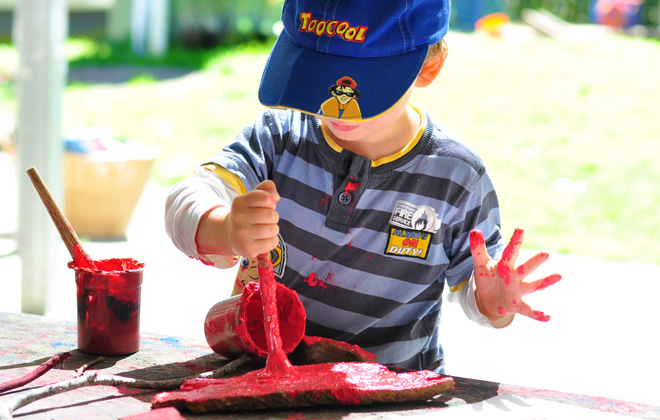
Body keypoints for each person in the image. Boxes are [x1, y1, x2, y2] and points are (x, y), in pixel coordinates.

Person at [165, 0, 561, 373]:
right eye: (319, 74)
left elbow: (476, 287)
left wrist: (492, 303)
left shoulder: (456, 178)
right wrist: (223, 229)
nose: (336, 104)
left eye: (364, 83)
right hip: (261, 374)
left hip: (391, 398)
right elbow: (186, 200)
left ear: (429, 65)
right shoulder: (278, 138)